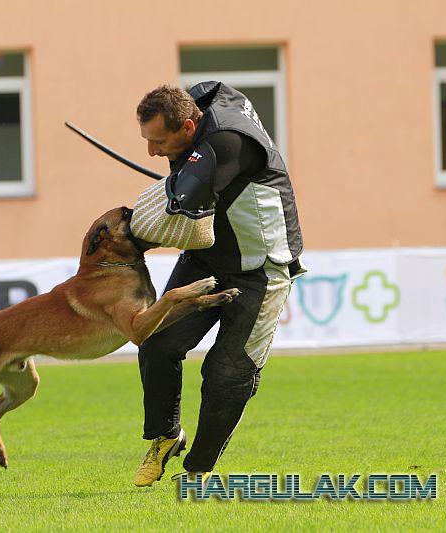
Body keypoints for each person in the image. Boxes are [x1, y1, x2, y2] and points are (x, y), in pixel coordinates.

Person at [133, 82, 305, 487]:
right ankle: (166, 436)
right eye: (147, 141)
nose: (152, 152)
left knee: (228, 374)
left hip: (261, 268)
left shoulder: (227, 140)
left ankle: (198, 470)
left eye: (159, 142)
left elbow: (182, 203)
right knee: (157, 342)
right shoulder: (197, 113)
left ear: (189, 126)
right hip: (206, 258)